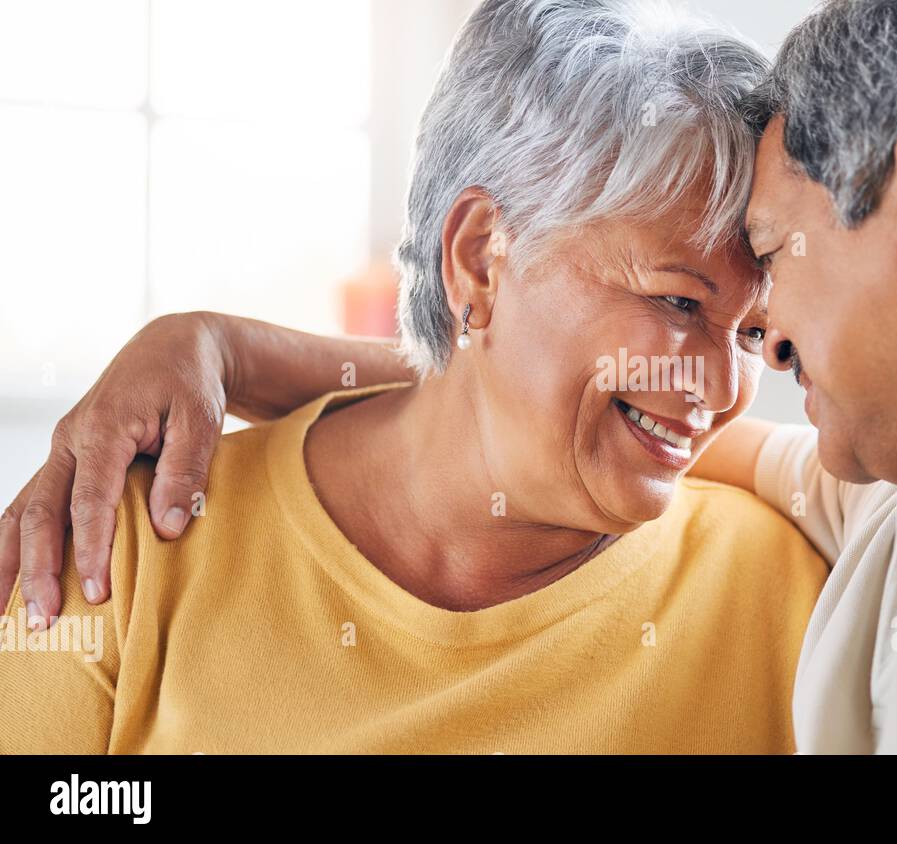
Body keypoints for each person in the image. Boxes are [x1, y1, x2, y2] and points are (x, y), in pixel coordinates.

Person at [9, 0, 897, 754]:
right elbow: (522, 401)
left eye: (759, 296)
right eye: (690, 305)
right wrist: (227, 348)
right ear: (481, 255)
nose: (753, 367)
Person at [0, 0, 829, 754]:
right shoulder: (124, 543)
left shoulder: (791, 600)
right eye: (681, 302)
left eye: (754, 333)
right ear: (480, 259)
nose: (722, 388)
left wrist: (225, 345)